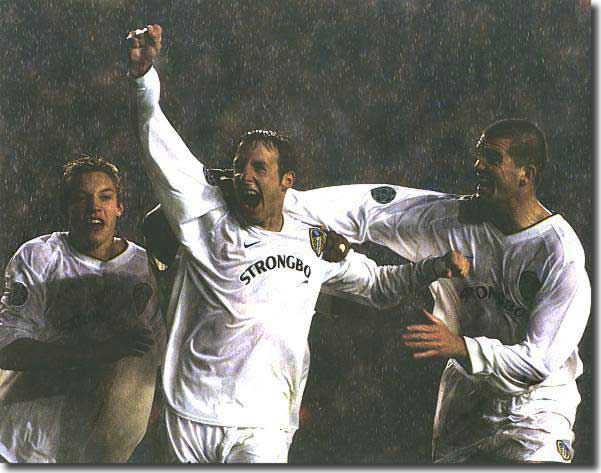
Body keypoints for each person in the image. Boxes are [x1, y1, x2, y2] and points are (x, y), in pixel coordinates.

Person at [128, 24, 470, 463]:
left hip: (266, 423)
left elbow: (378, 285)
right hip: (190, 414)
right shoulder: (206, 221)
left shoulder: (313, 242)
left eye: (259, 169)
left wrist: (430, 268)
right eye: (239, 168)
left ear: (286, 182)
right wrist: (142, 78)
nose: (245, 178)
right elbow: (158, 142)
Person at [283, 119, 591, 463]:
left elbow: (539, 363)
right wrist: (281, 204)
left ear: (526, 174)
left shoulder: (558, 254)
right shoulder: (453, 220)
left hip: (538, 407)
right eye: (479, 156)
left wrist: (460, 346)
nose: (478, 166)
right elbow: (371, 208)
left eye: (492, 158)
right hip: (466, 401)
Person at [0, 156, 165, 463]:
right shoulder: (38, 256)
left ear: (119, 207)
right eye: (81, 198)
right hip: (22, 445)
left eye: (105, 196)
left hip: (92, 452)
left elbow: (158, 360)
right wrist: (99, 352)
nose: (94, 207)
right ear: (67, 208)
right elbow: (7, 349)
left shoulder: (144, 269)